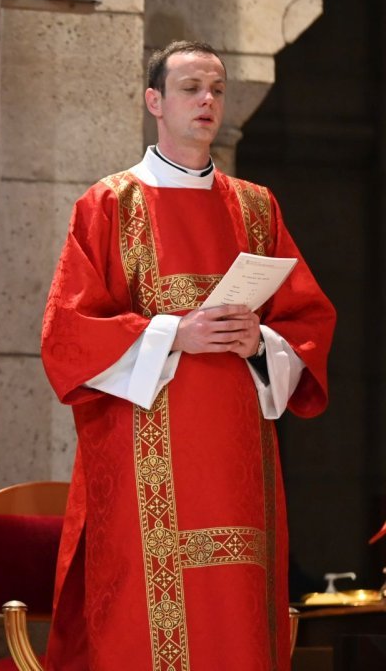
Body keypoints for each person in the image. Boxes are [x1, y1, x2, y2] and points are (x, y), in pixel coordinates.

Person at [40, 40, 336, 671]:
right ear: (155, 101)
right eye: (190, 88)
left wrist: (260, 341)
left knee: (233, 618)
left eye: (217, 90)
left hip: (237, 468)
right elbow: (67, 333)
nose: (207, 101)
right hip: (142, 459)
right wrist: (175, 333)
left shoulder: (257, 208)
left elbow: (308, 319)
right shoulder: (111, 204)